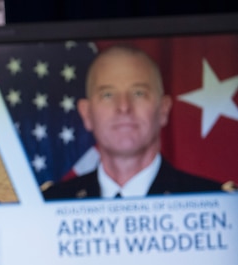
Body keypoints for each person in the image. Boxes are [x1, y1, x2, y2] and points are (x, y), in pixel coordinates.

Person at [43, 45, 226, 200]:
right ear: (87, 114)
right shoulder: (50, 205)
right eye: (108, 95)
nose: (123, 106)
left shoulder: (212, 201)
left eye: (138, 93)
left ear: (163, 109)